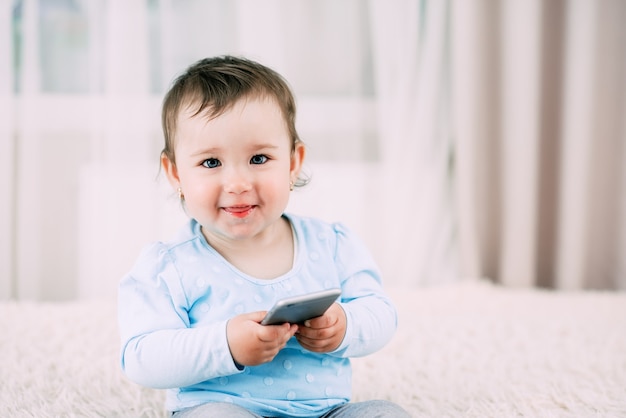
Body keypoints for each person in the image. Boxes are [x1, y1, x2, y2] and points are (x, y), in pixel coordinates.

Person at [118, 55, 410, 418]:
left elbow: (381, 313)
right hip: (223, 408)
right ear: (175, 173)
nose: (238, 184)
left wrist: (344, 325)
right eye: (211, 162)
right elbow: (142, 357)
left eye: (258, 159)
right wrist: (225, 344)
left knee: (386, 414)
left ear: (293, 162)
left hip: (325, 411)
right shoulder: (168, 264)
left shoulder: (331, 243)